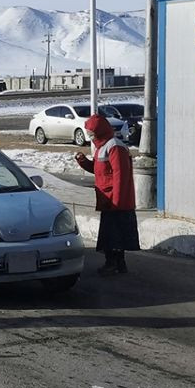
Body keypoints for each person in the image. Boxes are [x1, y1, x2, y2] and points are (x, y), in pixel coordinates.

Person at [74, 114, 140, 275]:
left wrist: (117, 201)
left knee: (114, 234)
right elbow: (99, 171)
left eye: (91, 132)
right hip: (107, 199)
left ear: (99, 131)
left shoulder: (114, 146)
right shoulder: (101, 147)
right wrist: (83, 161)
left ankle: (113, 263)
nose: (89, 135)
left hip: (116, 200)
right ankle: (117, 263)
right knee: (112, 234)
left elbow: (120, 175)